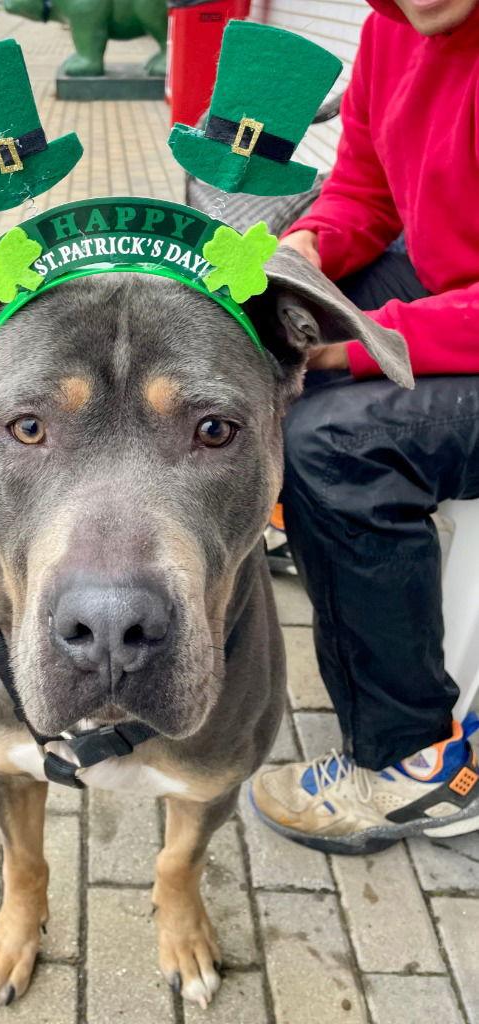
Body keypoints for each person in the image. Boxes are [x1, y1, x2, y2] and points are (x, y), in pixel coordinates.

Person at [251, 0, 479, 854]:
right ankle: (301, 536)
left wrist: (362, 348)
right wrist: (305, 253)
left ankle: (408, 763)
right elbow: (363, 191)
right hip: (446, 276)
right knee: (256, 329)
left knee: (331, 444)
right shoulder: (392, 30)